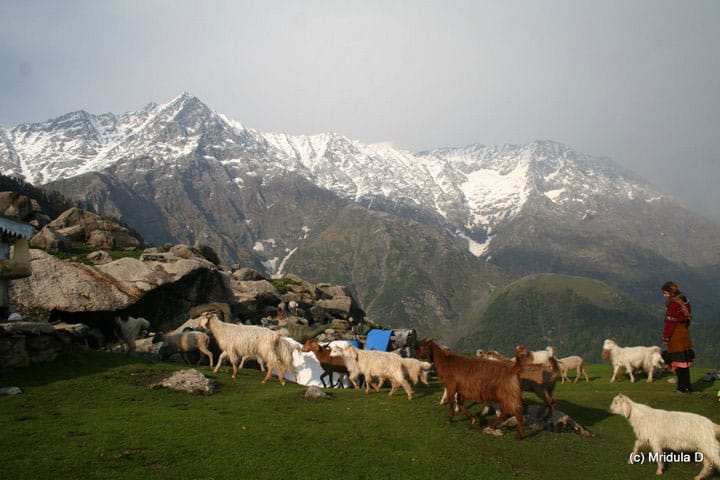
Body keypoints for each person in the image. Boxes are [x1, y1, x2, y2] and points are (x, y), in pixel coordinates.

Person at [661, 281, 695, 393]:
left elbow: (670, 323)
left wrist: (666, 337)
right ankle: (688, 386)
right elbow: (688, 316)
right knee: (685, 363)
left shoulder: (673, 304)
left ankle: (681, 388)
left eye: (665, 293)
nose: (664, 295)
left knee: (678, 363)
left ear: (670, 292)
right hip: (684, 333)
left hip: (676, 335)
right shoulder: (684, 300)